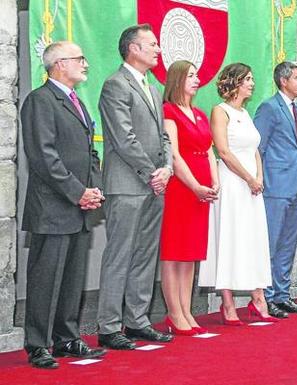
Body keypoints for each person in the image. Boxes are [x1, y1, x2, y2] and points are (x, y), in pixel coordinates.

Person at [20, 41, 106, 369]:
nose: (85, 64)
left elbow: (89, 152)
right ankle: (38, 344)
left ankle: (67, 337)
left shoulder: (77, 102)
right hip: (53, 207)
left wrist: (94, 188)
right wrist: (77, 191)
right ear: (59, 64)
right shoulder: (40, 101)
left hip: (79, 206)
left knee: (73, 277)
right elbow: (43, 156)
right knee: (46, 278)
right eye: (79, 59)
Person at [97, 24, 174, 349]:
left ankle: (137, 321)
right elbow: (123, 138)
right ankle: (109, 326)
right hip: (128, 184)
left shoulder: (153, 88)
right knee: (120, 254)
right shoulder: (115, 85)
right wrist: (151, 173)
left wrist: (167, 168)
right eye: (152, 44)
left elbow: (165, 136)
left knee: (145, 254)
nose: (158, 49)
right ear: (133, 49)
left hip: (154, 184)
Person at [197, 63, 277, 324]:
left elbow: (255, 149)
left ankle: (258, 298)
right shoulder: (220, 111)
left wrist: (259, 178)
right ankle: (228, 304)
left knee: (253, 239)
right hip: (232, 182)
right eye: (247, 79)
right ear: (234, 82)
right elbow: (224, 151)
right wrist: (248, 178)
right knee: (230, 238)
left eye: (252, 79)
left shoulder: (245, 112)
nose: (252, 84)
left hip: (252, 185)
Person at [159, 60, 219, 335]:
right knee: (174, 253)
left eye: (197, 75)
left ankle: (187, 309)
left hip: (202, 188)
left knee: (191, 254)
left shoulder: (200, 114)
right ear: (177, 79)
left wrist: (214, 181)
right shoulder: (169, 111)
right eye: (191, 76)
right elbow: (173, 153)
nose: (196, 80)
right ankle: (174, 313)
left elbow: (209, 150)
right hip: (181, 187)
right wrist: (194, 185)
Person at [253, 62, 297, 318]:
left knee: (288, 244)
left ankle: (282, 294)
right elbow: (258, 147)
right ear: (283, 81)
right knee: (271, 244)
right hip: (275, 186)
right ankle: (266, 296)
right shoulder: (269, 108)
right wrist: (260, 179)